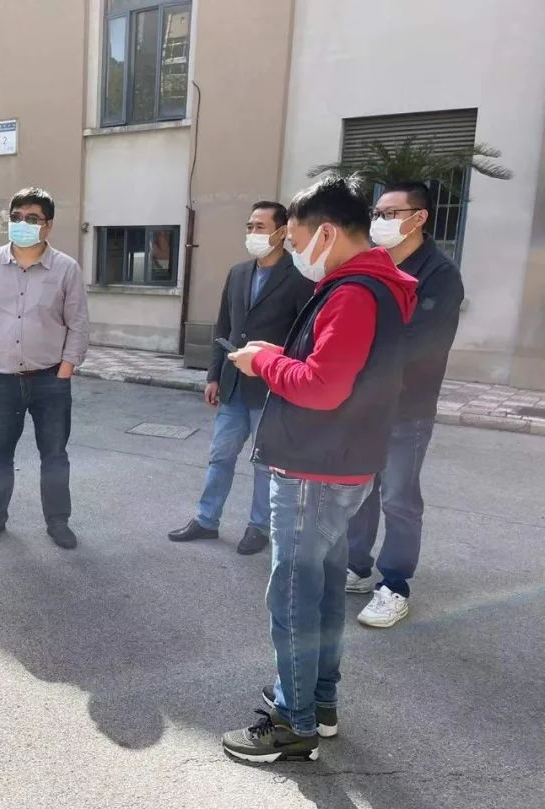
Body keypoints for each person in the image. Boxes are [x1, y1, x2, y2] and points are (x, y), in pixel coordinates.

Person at [219, 175, 417, 763]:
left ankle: (293, 720)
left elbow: (323, 386)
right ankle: (318, 701)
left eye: (296, 237)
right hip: (338, 464)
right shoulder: (368, 285)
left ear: (326, 233)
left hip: (314, 469)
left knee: (293, 598)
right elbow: (339, 373)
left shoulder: (353, 292)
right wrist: (278, 356)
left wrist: (264, 362)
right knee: (323, 591)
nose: (293, 248)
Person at [346, 182, 464, 627]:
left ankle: (394, 585)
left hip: (407, 407)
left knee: (398, 497)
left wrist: (361, 359)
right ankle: (356, 567)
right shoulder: (372, 263)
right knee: (360, 491)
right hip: (365, 404)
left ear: (419, 218)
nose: (380, 221)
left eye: (391, 213)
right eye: (377, 213)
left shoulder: (440, 274)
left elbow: (422, 344)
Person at [168, 201, 313, 554]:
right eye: (249, 226)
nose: (252, 233)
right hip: (232, 387)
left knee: (265, 464)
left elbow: (304, 338)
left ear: (282, 232)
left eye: (260, 227)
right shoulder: (238, 273)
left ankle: (258, 527)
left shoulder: (299, 278)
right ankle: (206, 520)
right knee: (220, 456)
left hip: (270, 389)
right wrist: (214, 376)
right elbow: (225, 327)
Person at [0, 187, 89, 549]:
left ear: (48, 226)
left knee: (54, 455)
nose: (22, 224)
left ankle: (58, 521)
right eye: (16, 217)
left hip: (50, 379)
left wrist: (65, 371)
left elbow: (78, 324)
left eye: (32, 218)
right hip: (1, 381)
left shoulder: (65, 269)